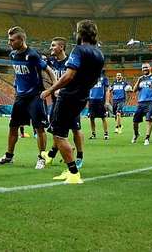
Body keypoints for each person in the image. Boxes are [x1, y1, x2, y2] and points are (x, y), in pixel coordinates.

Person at [40, 20, 105, 184]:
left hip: (69, 96)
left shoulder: (79, 50)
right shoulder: (99, 54)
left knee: (59, 135)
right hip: (83, 97)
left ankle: (74, 173)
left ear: (80, 33)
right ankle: (69, 168)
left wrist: (50, 90)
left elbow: (68, 76)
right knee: (64, 133)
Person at [0, 27, 50, 169]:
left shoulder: (33, 55)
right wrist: (16, 85)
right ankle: (8, 156)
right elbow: (19, 74)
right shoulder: (12, 55)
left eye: (12, 40)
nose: (9, 42)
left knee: (39, 128)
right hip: (21, 97)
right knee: (13, 127)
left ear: (21, 40)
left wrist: (53, 88)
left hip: (35, 96)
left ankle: (42, 158)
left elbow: (49, 70)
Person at [44, 37, 84, 168]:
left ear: (61, 47)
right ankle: (52, 154)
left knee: (75, 129)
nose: (51, 48)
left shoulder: (71, 62)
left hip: (70, 101)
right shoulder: (51, 62)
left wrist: (63, 90)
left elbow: (75, 80)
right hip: (56, 101)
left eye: (53, 45)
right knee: (56, 130)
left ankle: (79, 157)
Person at [131, 63, 152, 145]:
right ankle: (136, 134)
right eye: (143, 68)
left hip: (151, 102)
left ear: (150, 68)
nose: (144, 69)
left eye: (146, 67)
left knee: (149, 120)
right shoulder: (141, 79)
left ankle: (147, 138)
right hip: (141, 102)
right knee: (135, 121)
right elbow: (134, 90)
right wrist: (138, 80)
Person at [88, 70, 110, 140]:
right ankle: (93, 134)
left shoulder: (104, 78)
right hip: (92, 101)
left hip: (100, 100)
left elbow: (107, 90)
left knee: (103, 117)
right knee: (91, 118)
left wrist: (106, 101)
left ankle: (106, 133)